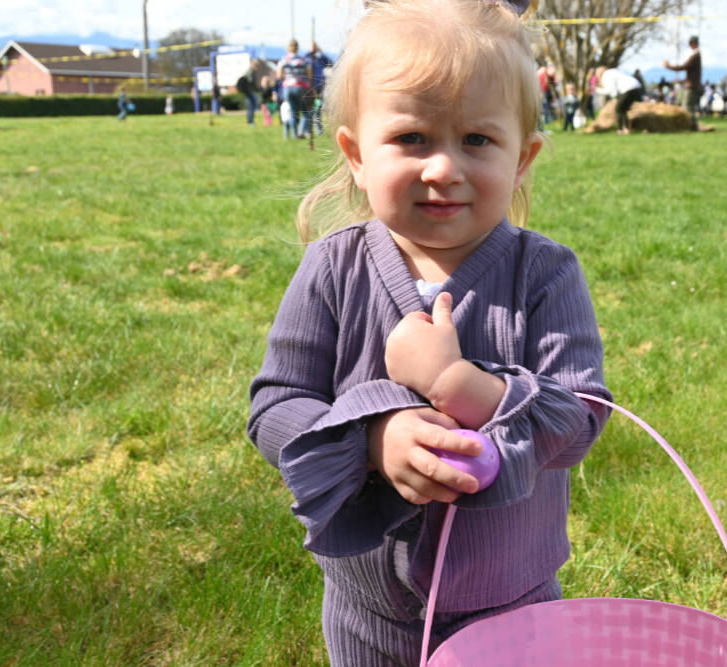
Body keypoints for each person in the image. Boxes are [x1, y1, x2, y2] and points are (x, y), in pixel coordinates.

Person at [247, 1, 610, 664]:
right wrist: (371, 439)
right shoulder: (333, 268)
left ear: (523, 157)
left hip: (515, 605)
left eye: (477, 140)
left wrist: (457, 383)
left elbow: (581, 418)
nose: (443, 168)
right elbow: (275, 405)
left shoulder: (546, 274)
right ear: (357, 154)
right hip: (370, 613)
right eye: (413, 139)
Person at [663, 36, 703, 128]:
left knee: (687, 107)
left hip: (692, 86)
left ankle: (693, 127)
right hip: (692, 85)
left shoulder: (695, 56)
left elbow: (683, 67)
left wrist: (668, 66)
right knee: (688, 107)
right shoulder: (696, 56)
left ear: (693, 44)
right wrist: (681, 81)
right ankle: (692, 126)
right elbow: (691, 73)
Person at [277, 38, 313, 138]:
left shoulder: (283, 60)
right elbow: (310, 75)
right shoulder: (304, 60)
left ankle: (295, 134)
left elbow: (279, 76)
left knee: (293, 112)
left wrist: (288, 78)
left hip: (287, 88)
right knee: (305, 111)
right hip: (301, 87)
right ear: (297, 48)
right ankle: (301, 131)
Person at [595, 66, 643, 134]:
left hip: (629, 89)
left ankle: (620, 129)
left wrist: (596, 90)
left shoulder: (606, 76)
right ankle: (626, 129)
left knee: (618, 109)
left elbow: (611, 91)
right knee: (623, 109)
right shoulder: (612, 71)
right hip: (637, 88)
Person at [306, 41, 334, 135]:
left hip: (320, 85)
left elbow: (330, 63)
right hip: (310, 86)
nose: (314, 48)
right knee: (310, 108)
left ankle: (319, 129)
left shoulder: (321, 58)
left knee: (318, 107)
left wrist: (321, 52)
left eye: (315, 46)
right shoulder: (307, 57)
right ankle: (308, 129)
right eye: (312, 46)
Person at [236, 60, 260, 126]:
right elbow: (251, 82)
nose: (257, 67)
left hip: (249, 91)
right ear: (253, 65)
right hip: (249, 91)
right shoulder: (251, 71)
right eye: (257, 66)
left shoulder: (250, 71)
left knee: (250, 106)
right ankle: (250, 122)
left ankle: (250, 121)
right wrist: (257, 89)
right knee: (251, 106)